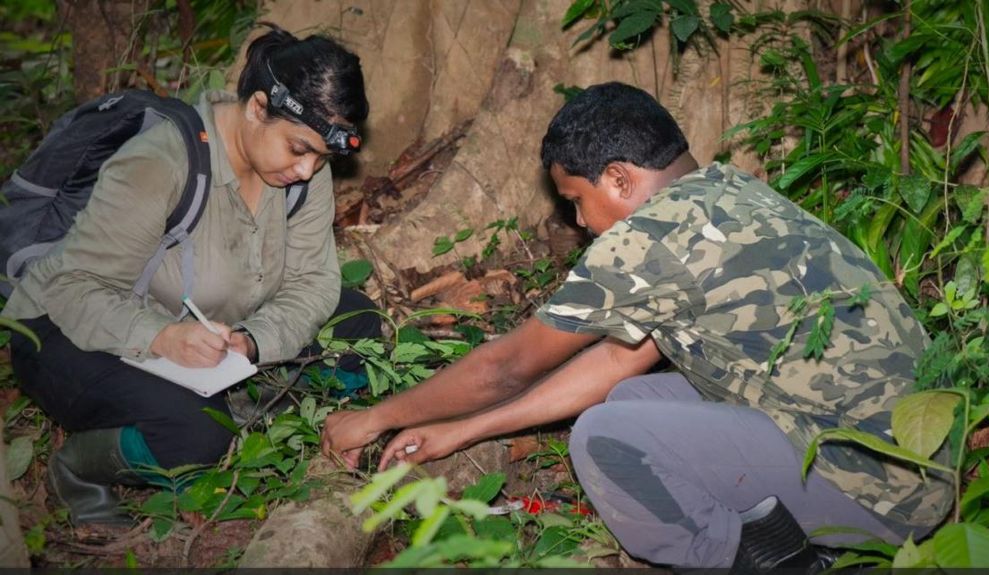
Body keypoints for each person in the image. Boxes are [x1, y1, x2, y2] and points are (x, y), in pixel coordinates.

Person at [321, 83, 954, 570]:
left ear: (620, 177)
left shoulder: (649, 241)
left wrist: (377, 417)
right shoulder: (731, 189)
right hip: (908, 458)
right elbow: (620, 360)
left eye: (576, 200)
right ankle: (779, 527)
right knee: (629, 398)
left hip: (878, 491)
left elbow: (507, 367)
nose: (577, 222)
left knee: (605, 437)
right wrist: (459, 431)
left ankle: (759, 560)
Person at [2, 24, 381, 526]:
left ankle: (252, 406)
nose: (308, 171)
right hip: (66, 329)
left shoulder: (301, 174)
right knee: (197, 434)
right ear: (257, 107)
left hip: (216, 324)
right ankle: (78, 470)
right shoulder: (160, 163)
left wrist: (253, 341)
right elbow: (75, 289)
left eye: (322, 157)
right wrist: (161, 336)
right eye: (298, 149)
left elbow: (313, 282)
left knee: (358, 325)